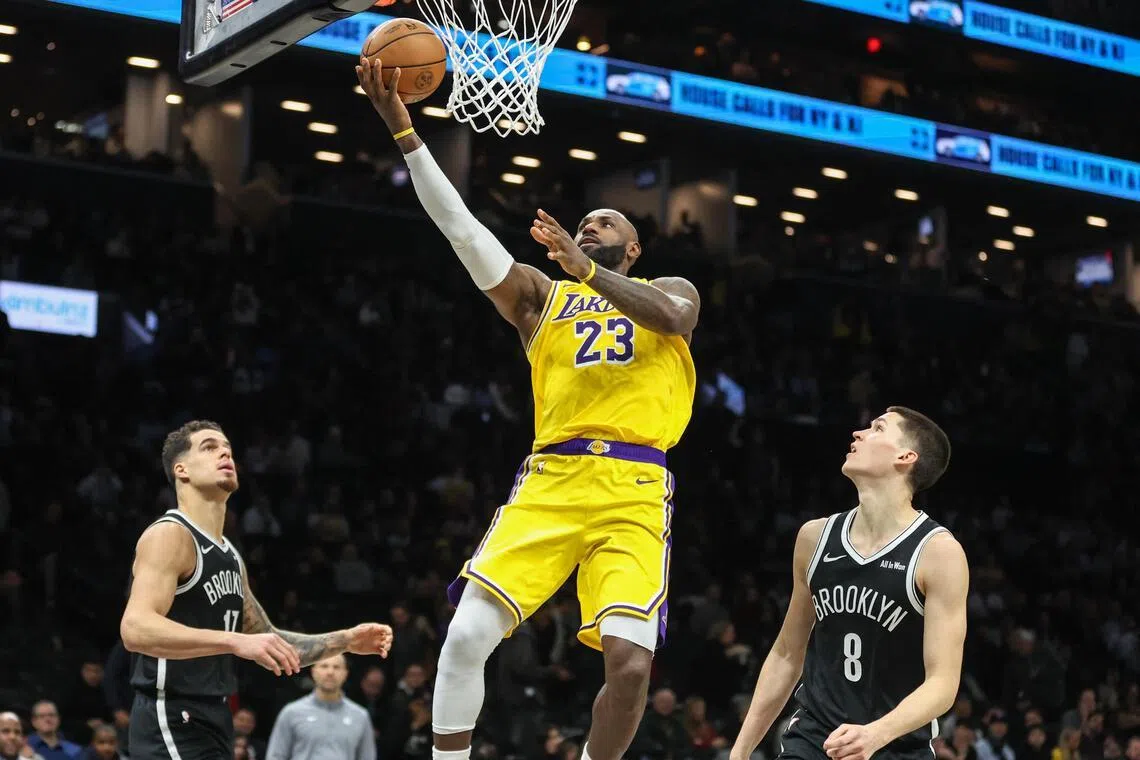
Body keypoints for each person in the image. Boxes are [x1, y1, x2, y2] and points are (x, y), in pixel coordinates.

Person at [356, 57, 701, 760]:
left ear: (635, 247)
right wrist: (404, 133)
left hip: (634, 485)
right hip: (552, 479)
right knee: (464, 636)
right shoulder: (542, 296)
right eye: (585, 221)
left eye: (606, 221)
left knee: (631, 668)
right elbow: (461, 229)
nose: (590, 225)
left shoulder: (670, 288)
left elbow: (672, 320)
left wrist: (586, 267)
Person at [119, 420, 394, 760]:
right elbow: (136, 628)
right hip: (171, 715)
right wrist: (234, 641)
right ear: (181, 470)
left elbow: (268, 640)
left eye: (228, 448)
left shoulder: (230, 556)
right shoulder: (170, 535)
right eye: (209, 447)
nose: (224, 453)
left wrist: (346, 641)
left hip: (214, 716)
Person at [730, 407, 969, 760]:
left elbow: (943, 684)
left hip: (895, 746)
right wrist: (740, 750)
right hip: (813, 740)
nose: (859, 433)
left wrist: (876, 733)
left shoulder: (938, 553)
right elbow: (787, 653)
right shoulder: (814, 538)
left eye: (878, 428)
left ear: (906, 457)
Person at [266, 654, 375, 760]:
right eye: (324, 666)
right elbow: (276, 756)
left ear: (345, 673)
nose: (330, 672)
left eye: (336, 667)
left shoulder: (360, 716)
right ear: (313, 671)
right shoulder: (291, 712)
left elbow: (367, 757)